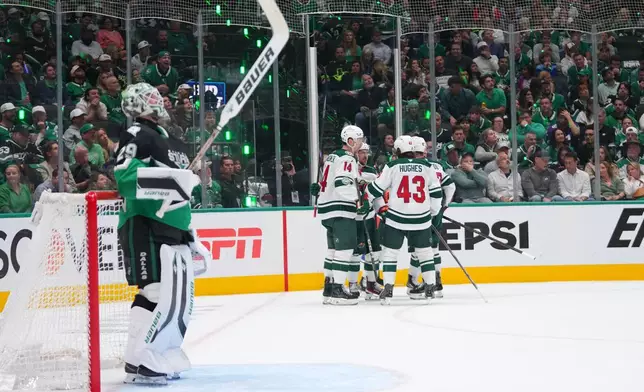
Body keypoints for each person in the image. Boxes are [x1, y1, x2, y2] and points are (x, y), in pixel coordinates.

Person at [114, 83, 211, 384]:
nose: (161, 100)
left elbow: (180, 192)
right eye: (153, 96)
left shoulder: (172, 142)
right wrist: (174, 180)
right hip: (144, 222)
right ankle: (145, 358)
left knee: (172, 297)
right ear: (140, 104)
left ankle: (142, 357)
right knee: (154, 292)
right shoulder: (136, 135)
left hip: (172, 226)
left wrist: (189, 231)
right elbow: (125, 177)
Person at [366, 135, 443, 304]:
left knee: (390, 254)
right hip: (421, 218)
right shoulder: (427, 166)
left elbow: (375, 189)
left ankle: (388, 289)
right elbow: (437, 193)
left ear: (398, 151)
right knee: (425, 253)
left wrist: (366, 195)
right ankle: (430, 287)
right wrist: (432, 212)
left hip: (396, 218)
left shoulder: (392, 166)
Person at [309, 125, 365, 305]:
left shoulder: (332, 156)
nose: (361, 143)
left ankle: (329, 287)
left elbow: (327, 180)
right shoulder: (347, 158)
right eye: (359, 140)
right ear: (350, 141)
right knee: (345, 249)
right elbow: (342, 182)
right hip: (340, 208)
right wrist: (357, 202)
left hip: (327, 208)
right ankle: (338, 290)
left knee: (332, 250)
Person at [406, 136, 455, 299]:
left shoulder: (409, 167)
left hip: (417, 212)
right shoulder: (435, 166)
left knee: (419, 248)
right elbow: (450, 186)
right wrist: (443, 206)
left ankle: (413, 280)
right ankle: (436, 280)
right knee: (432, 247)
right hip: (434, 211)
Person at [354, 142, 383, 299]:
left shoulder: (372, 172)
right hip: (354, 218)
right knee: (354, 253)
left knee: (375, 252)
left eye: (366, 152)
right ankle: (353, 284)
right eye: (361, 152)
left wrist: (381, 209)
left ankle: (369, 282)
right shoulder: (348, 169)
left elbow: (377, 193)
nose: (365, 156)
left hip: (370, 218)